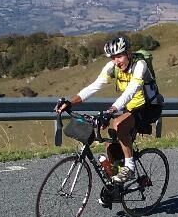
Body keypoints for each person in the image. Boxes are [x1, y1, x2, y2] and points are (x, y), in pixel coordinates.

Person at [55, 36, 162, 183]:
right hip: (131, 107)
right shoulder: (113, 67)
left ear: (129, 53)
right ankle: (116, 183)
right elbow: (94, 86)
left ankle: (130, 168)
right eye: (113, 57)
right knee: (109, 140)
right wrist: (70, 102)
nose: (117, 61)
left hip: (149, 107)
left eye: (120, 56)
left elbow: (131, 90)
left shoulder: (140, 65)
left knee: (118, 124)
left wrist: (110, 111)